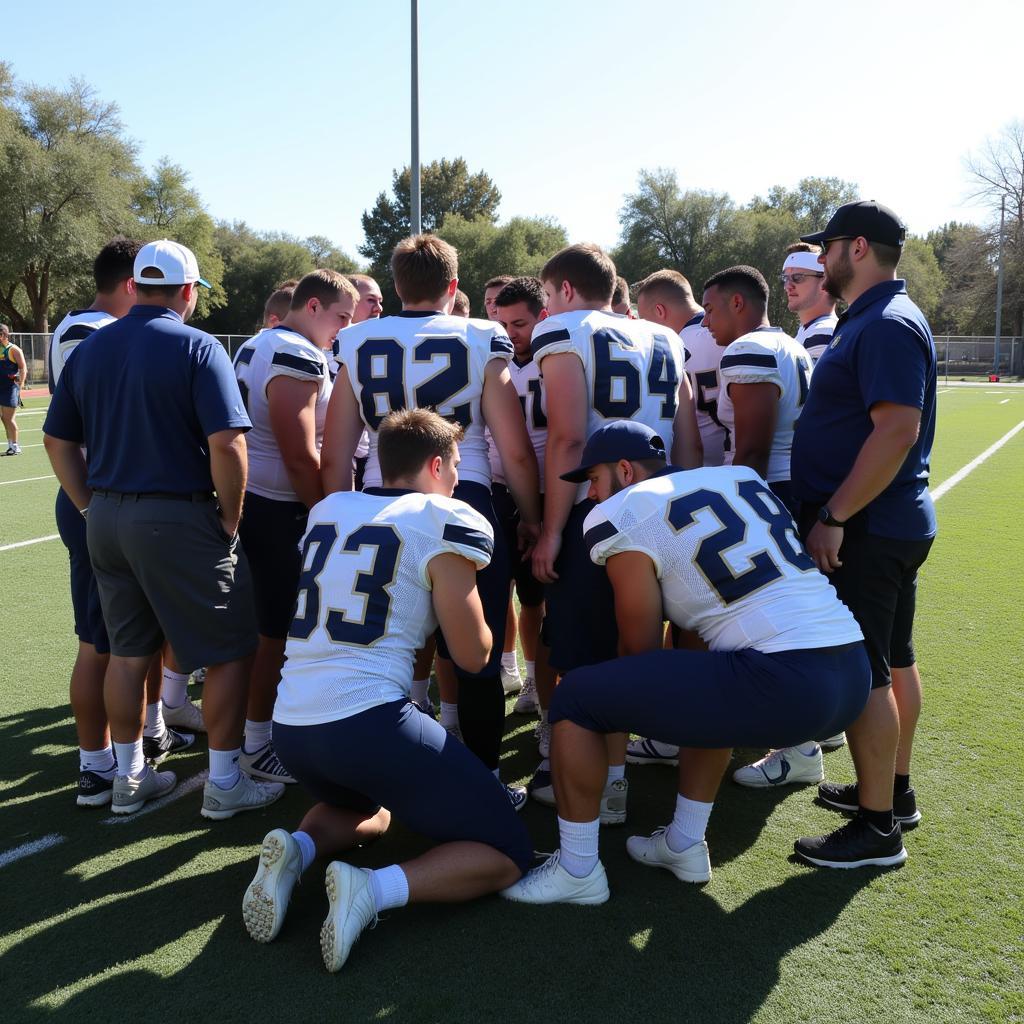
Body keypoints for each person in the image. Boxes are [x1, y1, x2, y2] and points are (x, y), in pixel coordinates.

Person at [500, 422, 872, 905]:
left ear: (625, 470)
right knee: (708, 681)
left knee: (575, 695)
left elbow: (640, 646)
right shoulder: (737, 477)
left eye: (593, 479)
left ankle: (577, 870)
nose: (591, 494)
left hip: (784, 682)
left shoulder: (622, 510)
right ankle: (684, 843)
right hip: (851, 674)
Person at [241, 409, 532, 970]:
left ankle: (297, 852)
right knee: (507, 851)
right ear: (436, 465)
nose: (455, 479)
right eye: (453, 467)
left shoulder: (330, 509)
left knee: (370, 808)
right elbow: (474, 657)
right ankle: (369, 891)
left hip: (294, 728)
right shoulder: (444, 517)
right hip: (368, 724)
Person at [42, 239, 282, 818]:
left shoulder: (93, 347)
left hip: (107, 514)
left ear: (136, 285)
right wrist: (230, 514)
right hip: (175, 513)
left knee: (126, 652)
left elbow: (56, 439)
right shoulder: (198, 347)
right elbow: (228, 443)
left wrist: (86, 506)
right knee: (227, 650)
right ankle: (224, 782)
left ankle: (127, 778)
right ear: (188, 291)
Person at [322, 235, 541, 803]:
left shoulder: (357, 339)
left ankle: (370, 783)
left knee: (379, 644)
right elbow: (513, 450)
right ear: (453, 287)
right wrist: (534, 516)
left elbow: (338, 446)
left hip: (376, 501)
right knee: (477, 653)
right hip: (460, 496)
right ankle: (486, 781)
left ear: (396, 286)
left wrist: (335, 515)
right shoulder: (477, 336)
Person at [788, 200, 937, 868]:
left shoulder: (885, 323)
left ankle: (878, 829)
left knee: (867, 674)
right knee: (893, 661)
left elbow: (897, 430)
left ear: (855, 247)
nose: (819, 262)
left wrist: (835, 516)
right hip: (885, 522)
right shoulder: (875, 318)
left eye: (826, 249)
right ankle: (893, 794)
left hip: (870, 528)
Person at [528, 243, 699, 816]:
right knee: (637, 645)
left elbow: (570, 438)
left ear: (566, 290)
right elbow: (689, 439)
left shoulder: (564, 330)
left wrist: (551, 529)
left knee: (582, 655)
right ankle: (620, 777)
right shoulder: (667, 338)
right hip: (661, 506)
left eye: (549, 294)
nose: (547, 305)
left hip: (596, 508)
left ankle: (589, 778)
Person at [46, 238, 181, 806]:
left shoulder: (69, 329)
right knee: (102, 642)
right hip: (104, 496)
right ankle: (98, 765)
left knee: (132, 638)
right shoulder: (96, 335)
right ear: (132, 284)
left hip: (99, 497)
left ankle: (146, 731)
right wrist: (87, 505)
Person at [233, 270, 358, 786]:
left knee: (271, 628)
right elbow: (300, 454)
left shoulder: (259, 343)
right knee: (276, 633)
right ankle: (257, 743)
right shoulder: (293, 351)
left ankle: (256, 732)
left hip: (259, 501)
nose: (343, 329)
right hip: (278, 505)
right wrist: (324, 513)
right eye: (341, 318)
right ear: (312, 305)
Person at [491, 277, 553, 733]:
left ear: (542, 317)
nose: (509, 332)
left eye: (519, 323)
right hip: (500, 486)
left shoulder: (560, 359)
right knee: (512, 591)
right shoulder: (492, 362)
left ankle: (539, 680)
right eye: (502, 322)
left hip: (552, 489)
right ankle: (524, 673)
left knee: (544, 594)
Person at [700, 265, 812, 516]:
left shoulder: (748, 349)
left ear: (737, 303)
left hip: (767, 490)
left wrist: (741, 511)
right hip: (796, 482)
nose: (705, 322)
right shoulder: (791, 345)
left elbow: (753, 452)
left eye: (709, 310)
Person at [636, 270, 725, 466]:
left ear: (660, 311)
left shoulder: (672, 346)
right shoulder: (731, 332)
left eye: (643, 318)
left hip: (703, 466)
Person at [782, 243, 838, 362]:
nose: (787, 286)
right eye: (785, 278)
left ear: (824, 282)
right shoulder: (808, 331)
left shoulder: (823, 333)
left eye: (797, 277)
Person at [0, 323, 27, 455]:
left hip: (11, 388)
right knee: (3, 418)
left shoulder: (14, 350)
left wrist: (19, 386)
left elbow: (23, 368)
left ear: (3, 335)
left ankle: (16, 446)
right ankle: (10, 444)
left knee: (9, 418)